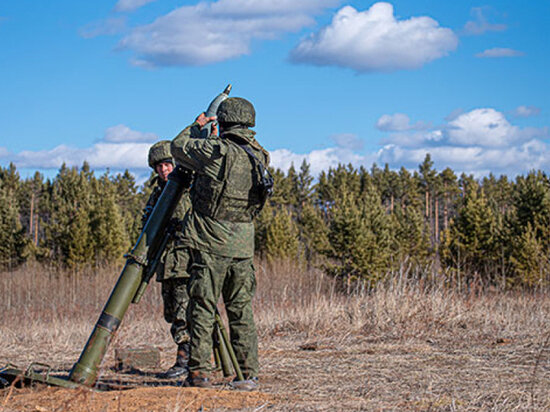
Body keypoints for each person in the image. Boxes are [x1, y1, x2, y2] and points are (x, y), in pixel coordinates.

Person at [170, 97, 270, 390]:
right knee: (241, 310)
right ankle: (248, 374)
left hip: (210, 245)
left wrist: (198, 125)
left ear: (223, 121)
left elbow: (177, 147)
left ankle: (199, 374)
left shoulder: (216, 151)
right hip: (242, 246)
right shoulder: (261, 156)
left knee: (201, 307)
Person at [143, 140, 192, 379]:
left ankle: (186, 359)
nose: (163, 170)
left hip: (185, 261)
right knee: (172, 313)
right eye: (158, 167)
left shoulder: (188, 189)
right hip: (166, 262)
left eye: (166, 164)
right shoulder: (158, 193)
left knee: (185, 313)